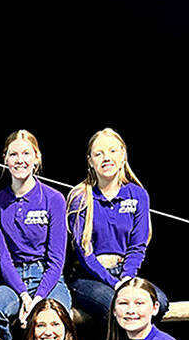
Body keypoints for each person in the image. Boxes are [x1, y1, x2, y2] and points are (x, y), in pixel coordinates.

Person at [66, 128, 168, 322]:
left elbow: (138, 246)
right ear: (90, 161)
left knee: (159, 302)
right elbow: (84, 252)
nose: (106, 157)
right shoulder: (80, 197)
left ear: (123, 154)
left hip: (124, 274)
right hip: (88, 277)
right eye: (99, 153)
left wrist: (128, 278)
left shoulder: (137, 195)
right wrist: (115, 283)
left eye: (113, 151)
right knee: (116, 305)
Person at [0, 130, 71, 340]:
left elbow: (57, 259)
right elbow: (2, 257)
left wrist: (38, 299)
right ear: (5, 159)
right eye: (13, 155)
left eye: (26, 153)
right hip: (11, 280)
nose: (20, 160)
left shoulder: (54, 199)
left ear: (36, 158)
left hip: (47, 277)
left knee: (55, 316)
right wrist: (23, 295)